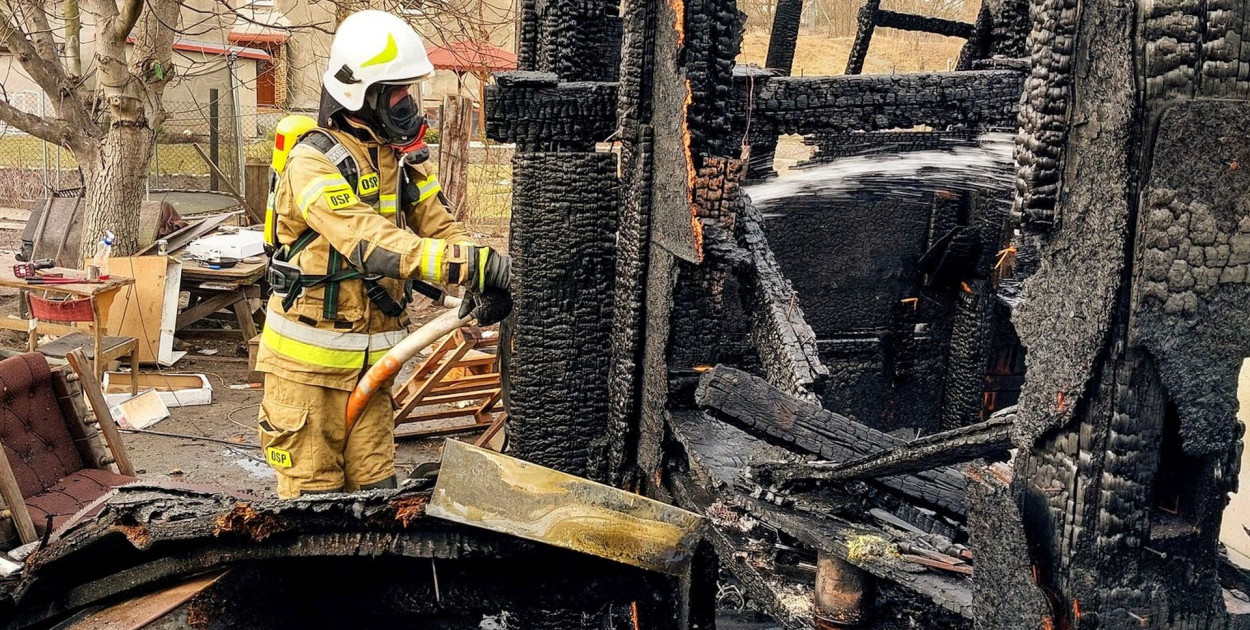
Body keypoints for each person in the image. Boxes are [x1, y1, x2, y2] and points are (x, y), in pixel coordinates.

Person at [255, 10, 512, 498]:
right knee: (316, 513)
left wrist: (484, 274)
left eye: (407, 91)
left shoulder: (396, 160)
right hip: (308, 380)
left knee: (379, 499)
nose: (407, 103)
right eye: (396, 92)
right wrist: (472, 267)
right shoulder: (312, 162)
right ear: (361, 93)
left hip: (374, 372)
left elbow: (441, 225)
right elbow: (367, 240)